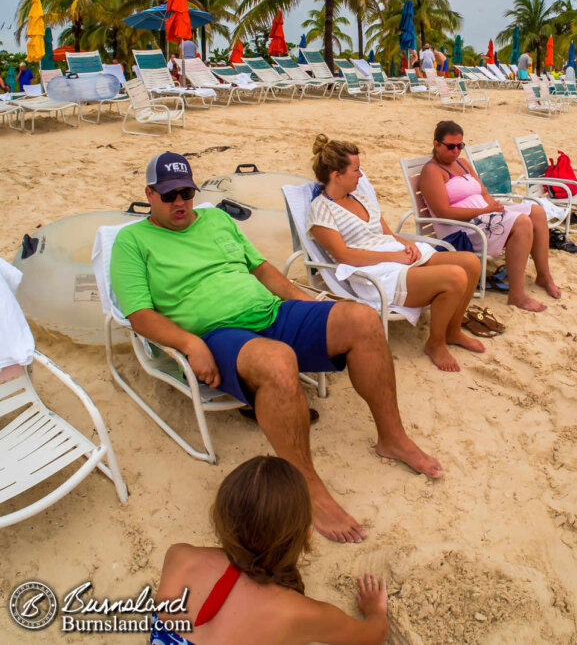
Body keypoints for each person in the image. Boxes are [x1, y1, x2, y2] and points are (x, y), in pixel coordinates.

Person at [111, 152, 442, 544]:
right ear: (149, 195)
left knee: (361, 319)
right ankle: (308, 486)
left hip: (271, 312)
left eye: (185, 192)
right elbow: (139, 314)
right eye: (168, 196)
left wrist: (306, 302)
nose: (180, 202)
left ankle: (392, 438)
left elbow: (261, 269)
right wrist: (189, 343)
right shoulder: (131, 241)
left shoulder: (215, 218)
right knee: (278, 361)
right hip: (218, 334)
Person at [151, 456, 389, 645]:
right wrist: (375, 612)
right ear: (306, 533)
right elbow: (373, 636)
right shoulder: (298, 613)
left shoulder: (180, 556)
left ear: (221, 521)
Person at [305, 135, 484, 372]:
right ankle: (436, 343)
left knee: (470, 263)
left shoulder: (361, 197)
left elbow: (387, 233)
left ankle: (452, 332)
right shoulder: (321, 210)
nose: (361, 175)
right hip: (372, 272)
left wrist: (405, 244)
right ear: (336, 175)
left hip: (394, 254)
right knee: (455, 276)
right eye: (356, 170)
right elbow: (344, 256)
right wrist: (394, 257)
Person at [420, 120, 562, 313]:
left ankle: (544, 276)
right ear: (436, 144)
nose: (456, 151)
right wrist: (484, 211)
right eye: (450, 146)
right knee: (521, 223)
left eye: (460, 146)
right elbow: (443, 212)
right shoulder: (431, 172)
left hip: (485, 217)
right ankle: (517, 295)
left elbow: (483, 192)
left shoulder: (463, 164)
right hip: (462, 229)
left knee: (536, 211)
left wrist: (491, 206)